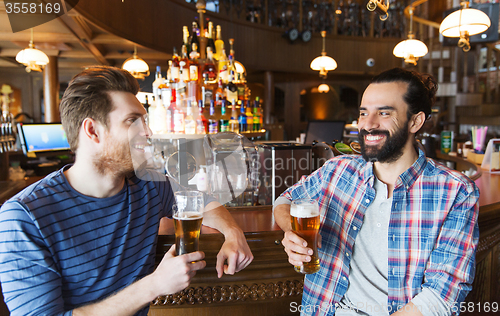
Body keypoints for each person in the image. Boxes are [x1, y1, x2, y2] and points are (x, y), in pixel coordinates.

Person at [0, 66, 253, 316]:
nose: (148, 132)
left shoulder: (148, 185)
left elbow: (202, 201)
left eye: (145, 121)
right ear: (92, 131)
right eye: (133, 121)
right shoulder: (23, 218)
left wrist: (233, 232)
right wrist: (154, 285)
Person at [274, 68, 479, 316]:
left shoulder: (456, 191)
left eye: (383, 113)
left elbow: (444, 293)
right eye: (363, 113)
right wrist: (292, 231)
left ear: (415, 121)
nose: (367, 125)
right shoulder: (338, 170)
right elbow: (285, 199)